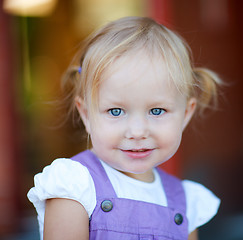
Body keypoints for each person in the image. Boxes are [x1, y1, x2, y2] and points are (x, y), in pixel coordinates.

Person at [28, 16, 222, 240]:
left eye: (157, 111)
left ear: (186, 114)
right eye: (116, 111)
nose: (137, 132)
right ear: (86, 114)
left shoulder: (186, 202)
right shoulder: (75, 185)